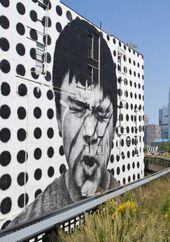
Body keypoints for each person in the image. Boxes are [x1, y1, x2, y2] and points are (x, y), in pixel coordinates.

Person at [10, 18, 120, 227]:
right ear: (58, 117)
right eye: (78, 109)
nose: (90, 131)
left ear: (115, 126)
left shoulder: (127, 199)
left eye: (101, 113)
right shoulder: (26, 222)